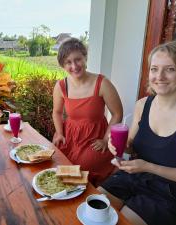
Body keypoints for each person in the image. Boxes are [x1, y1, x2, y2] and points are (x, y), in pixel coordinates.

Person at [99, 41, 176, 225]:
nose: (159, 76)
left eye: (170, 69)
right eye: (154, 69)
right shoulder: (142, 105)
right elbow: (131, 145)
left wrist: (148, 167)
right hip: (131, 177)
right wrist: (119, 145)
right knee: (94, 212)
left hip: (167, 194)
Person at [52, 38, 123, 186]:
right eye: (68, 62)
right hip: (69, 135)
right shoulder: (61, 86)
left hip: (95, 137)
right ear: (63, 65)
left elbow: (117, 113)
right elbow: (57, 112)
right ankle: (66, 200)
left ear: (85, 57)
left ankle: (85, 197)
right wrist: (59, 132)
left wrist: (105, 139)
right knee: (57, 162)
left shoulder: (102, 83)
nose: (74, 66)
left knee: (82, 168)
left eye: (78, 59)